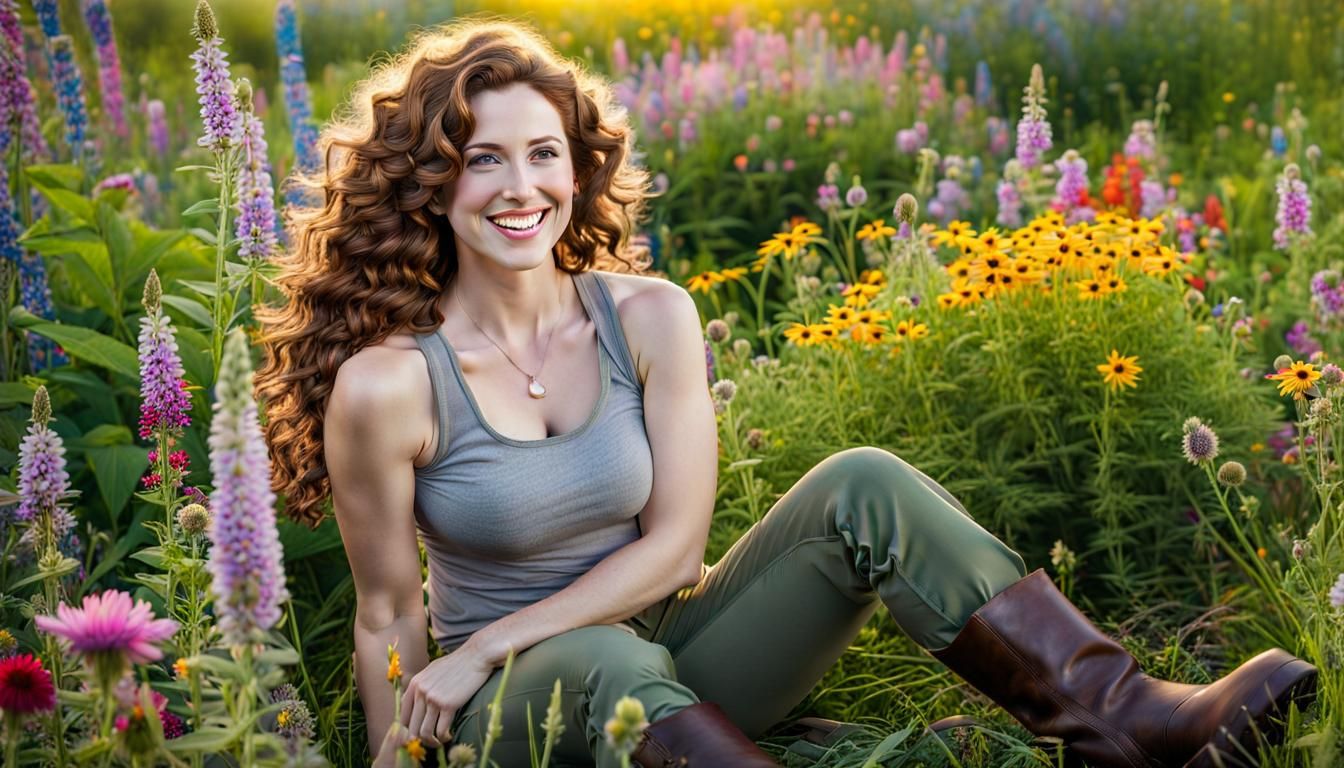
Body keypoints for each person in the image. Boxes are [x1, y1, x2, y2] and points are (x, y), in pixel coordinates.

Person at [255, 20, 1318, 768]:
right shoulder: (390, 384)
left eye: (544, 153)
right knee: (593, 661)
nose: (520, 187)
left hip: (675, 652)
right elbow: (388, 614)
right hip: (514, 718)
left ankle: (1129, 723)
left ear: (578, 169)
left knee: (863, 483)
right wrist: (418, 739)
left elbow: (675, 552)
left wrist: (480, 636)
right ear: (433, 186)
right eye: (483, 160)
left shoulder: (650, 316)